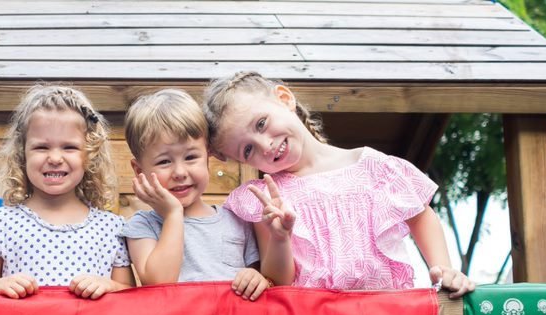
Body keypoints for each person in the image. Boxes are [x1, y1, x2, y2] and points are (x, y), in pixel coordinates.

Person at [203, 71, 475, 297]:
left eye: (261, 123)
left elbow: (421, 216)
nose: (265, 145)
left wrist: (443, 270)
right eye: (248, 150)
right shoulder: (267, 200)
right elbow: (280, 282)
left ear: (284, 98)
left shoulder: (373, 167)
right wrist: (280, 236)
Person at [0, 85, 133, 300]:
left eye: (69, 147)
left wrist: (109, 285)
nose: (55, 158)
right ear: (22, 153)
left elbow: (129, 294)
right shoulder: (0, 223)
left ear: (90, 155)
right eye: (42, 147)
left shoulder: (112, 228)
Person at [121, 89, 270, 301]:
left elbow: (260, 277)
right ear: (139, 170)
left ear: (207, 157)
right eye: (164, 161)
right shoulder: (142, 225)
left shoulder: (236, 219)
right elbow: (159, 284)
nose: (180, 173)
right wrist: (173, 214)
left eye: (191, 157)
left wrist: (255, 277)